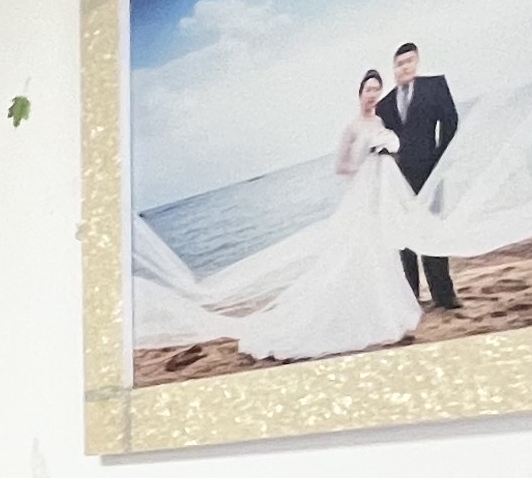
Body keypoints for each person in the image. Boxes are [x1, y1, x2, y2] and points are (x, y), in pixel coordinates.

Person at [134, 70, 429, 366]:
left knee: (377, 254)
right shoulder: (352, 127)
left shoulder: (380, 123)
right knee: (351, 256)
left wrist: (383, 157)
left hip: (375, 198)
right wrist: (366, 164)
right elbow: (340, 166)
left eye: (377, 89)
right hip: (358, 199)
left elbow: (390, 153)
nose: (373, 95)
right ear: (360, 93)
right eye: (368, 89)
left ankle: (378, 310)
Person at [379, 41, 463, 310]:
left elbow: (450, 121)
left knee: (433, 233)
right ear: (393, 68)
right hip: (399, 181)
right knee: (405, 240)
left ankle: (444, 295)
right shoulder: (384, 105)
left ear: (417, 62)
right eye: (399, 64)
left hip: (431, 172)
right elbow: (380, 143)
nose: (404, 67)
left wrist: (440, 159)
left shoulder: (435, 86)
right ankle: (411, 297)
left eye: (409, 61)